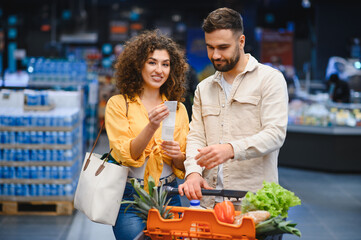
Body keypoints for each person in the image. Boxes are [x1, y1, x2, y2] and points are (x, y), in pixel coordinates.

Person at [178, 7, 289, 210]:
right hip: (209, 200)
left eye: (223, 47)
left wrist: (231, 150)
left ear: (241, 42)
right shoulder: (204, 87)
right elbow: (196, 137)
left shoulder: (269, 79)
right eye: (210, 47)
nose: (215, 55)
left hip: (253, 202)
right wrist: (193, 172)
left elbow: (275, 134)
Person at [105, 30, 189, 240]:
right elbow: (125, 155)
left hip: (169, 194)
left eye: (165, 64)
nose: (159, 70)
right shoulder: (119, 104)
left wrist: (178, 155)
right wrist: (151, 126)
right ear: (138, 64)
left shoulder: (178, 109)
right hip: (130, 197)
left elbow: (185, 163)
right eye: (152, 62)